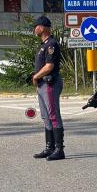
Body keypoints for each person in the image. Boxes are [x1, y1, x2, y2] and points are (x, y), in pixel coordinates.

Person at [31, 16, 65, 161]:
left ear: (43, 27)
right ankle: (49, 147)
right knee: (45, 116)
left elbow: (49, 66)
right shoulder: (42, 45)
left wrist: (36, 76)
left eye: (36, 26)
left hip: (49, 84)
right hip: (42, 84)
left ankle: (59, 149)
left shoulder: (51, 45)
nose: (34, 29)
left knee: (53, 115)